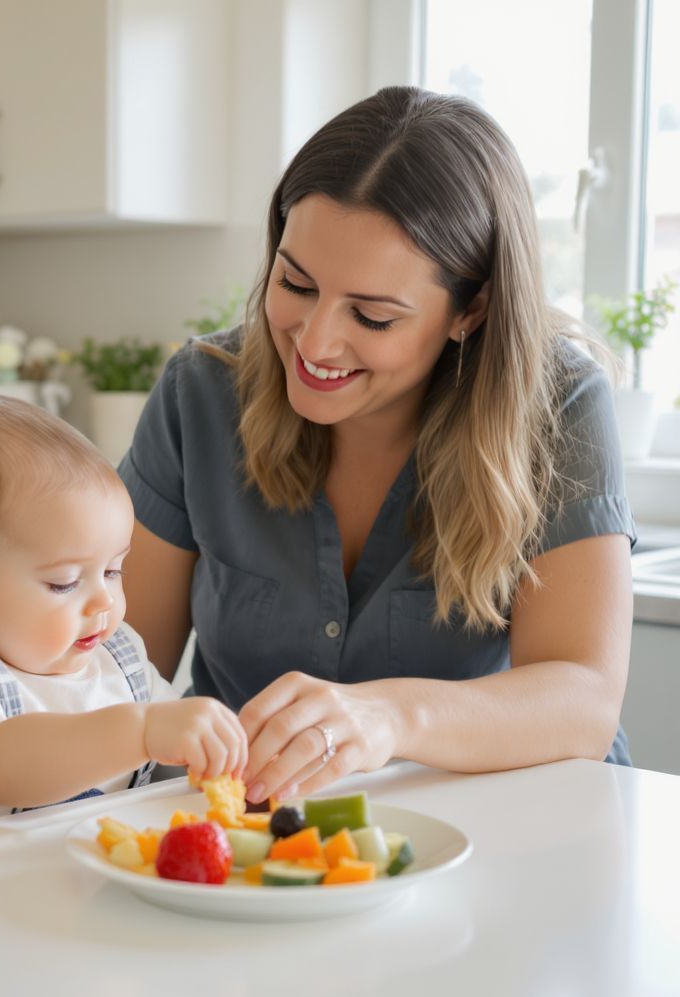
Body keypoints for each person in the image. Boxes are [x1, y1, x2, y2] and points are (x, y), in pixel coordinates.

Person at [119, 86, 635, 806]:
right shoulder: (200, 395)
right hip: (259, 852)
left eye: (372, 315)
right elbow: (111, 672)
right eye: (295, 283)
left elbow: (582, 699)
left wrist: (390, 716)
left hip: (507, 836)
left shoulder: (557, 406)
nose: (316, 340)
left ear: (472, 309)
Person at [0, 395, 247, 837]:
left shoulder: (117, 660)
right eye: (65, 583)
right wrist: (142, 730)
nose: (103, 602)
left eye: (112, 570)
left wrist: (217, 749)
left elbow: (175, 753)